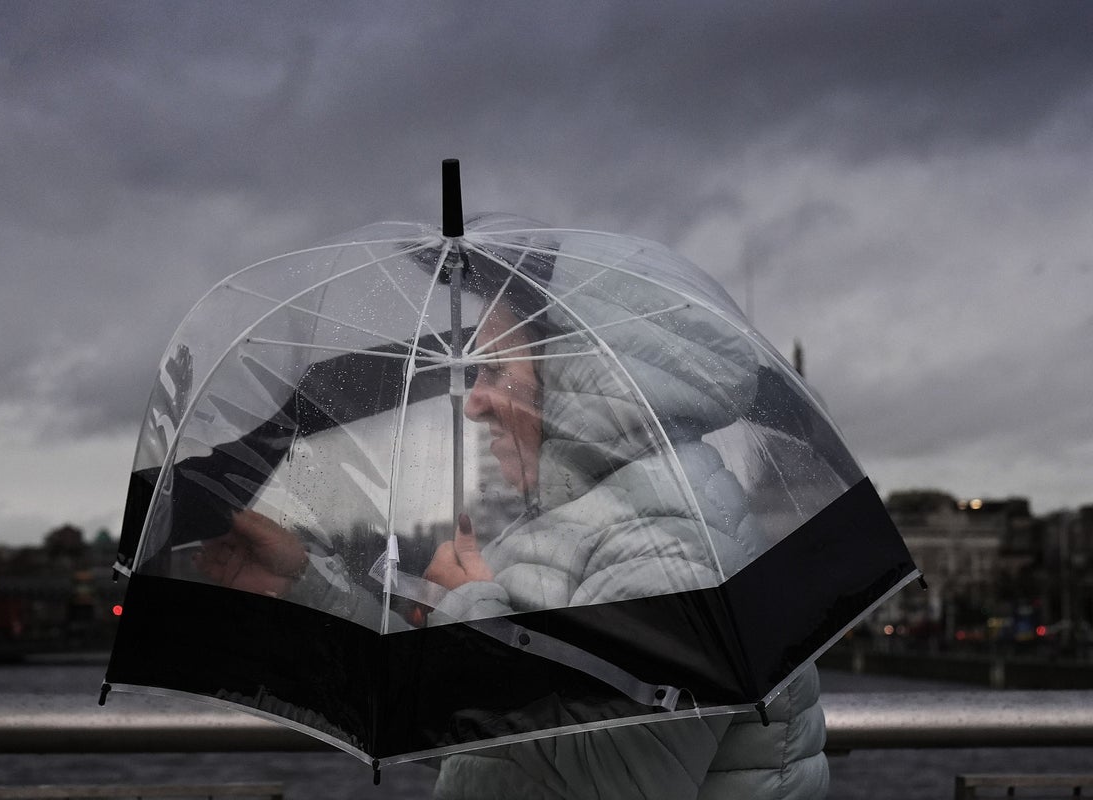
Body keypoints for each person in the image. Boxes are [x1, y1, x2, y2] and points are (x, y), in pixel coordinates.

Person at [195, 253, 829, 799]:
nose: (473, 400)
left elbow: (606, 784)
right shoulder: (577, 521)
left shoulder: (669, 536)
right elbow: (477, 734)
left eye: (495, 370)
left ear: (576, 380)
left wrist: (469, 617)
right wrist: (304, 588)